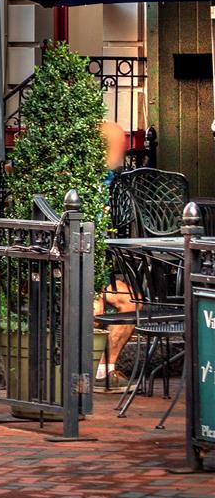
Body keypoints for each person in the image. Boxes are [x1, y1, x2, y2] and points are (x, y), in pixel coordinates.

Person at [95, 119, 137, 380]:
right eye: (115, 145)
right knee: (94, 306)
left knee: (132, 301)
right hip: (66, 269)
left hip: (97, 270)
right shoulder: (79, 179)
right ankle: (88, 369)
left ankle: (106, 369)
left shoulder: (111, 181)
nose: (120, 152)